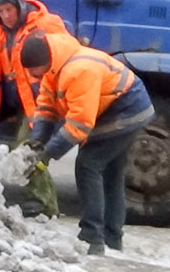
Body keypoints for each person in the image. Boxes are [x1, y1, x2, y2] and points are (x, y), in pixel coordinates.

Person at [20, 32, 155, 255]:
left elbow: (80, 124)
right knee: (112, 173)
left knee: (88, 166)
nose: (31, 76)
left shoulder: (78, 70)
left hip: (126, 110)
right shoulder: (53, 68)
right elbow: (46, 109)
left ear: (42, 62)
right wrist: (37, 142)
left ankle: (92, 237)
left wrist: (48, 155)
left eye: (31, 70)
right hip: (113, 109)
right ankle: (112, 238)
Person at [0, 0, 66, 217]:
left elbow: (62, 57)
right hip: (9, 98)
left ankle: (42, 203)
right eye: (1, 11)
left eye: (9, 9)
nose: (6, 15)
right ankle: (44, 204)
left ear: (20, 6)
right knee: (13, 147)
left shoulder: (46, 25)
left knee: (28, 146)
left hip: (37, 99)